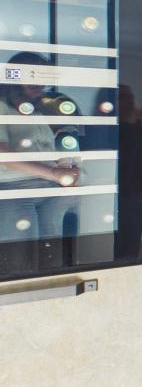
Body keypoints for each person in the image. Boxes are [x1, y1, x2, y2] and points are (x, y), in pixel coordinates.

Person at [0, 52, 81, 274]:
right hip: (15, 192)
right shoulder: (2, 107)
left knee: (50, 264)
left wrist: (67, 167)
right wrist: (53, 174)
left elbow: (47, 148)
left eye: (43, 76)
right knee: (21, 268)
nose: (40, 83)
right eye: (33, 75)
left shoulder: (34, 110)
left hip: (49, 192)